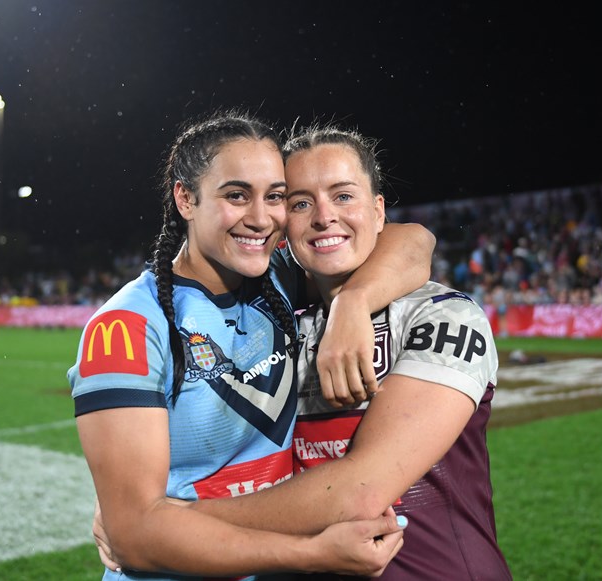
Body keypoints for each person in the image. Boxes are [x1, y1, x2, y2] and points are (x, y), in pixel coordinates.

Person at [69, 111, 436, 580]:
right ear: (185, 198)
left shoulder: (273, 280)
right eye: (237, 195)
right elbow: (135, 538)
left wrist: (354, 303)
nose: (262, 218)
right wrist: (312, 554)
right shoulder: (126, 327)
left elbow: (413, 240)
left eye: (276, 197)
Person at [137, 125, 511, 580]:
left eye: (344, 196)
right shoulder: (276, 320)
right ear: (282, 226)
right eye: (299, 202)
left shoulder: (443, 317)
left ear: (378, 212)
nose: (324, 217)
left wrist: (163, 526)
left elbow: (360, 490)